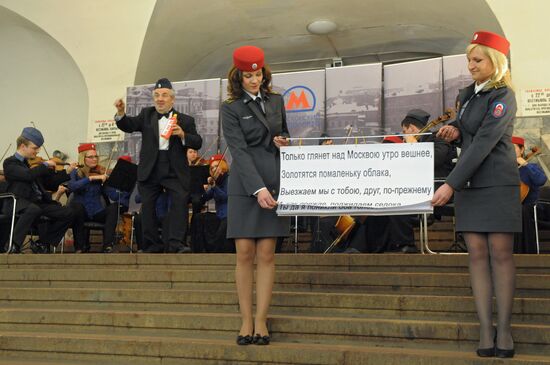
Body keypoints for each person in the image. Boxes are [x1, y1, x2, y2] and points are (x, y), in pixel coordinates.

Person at [433, 31, 519, 358]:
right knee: (477, 255)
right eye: (469, 59)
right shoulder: (469, 95)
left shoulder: (503, 96)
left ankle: (505, 330)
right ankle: (486, 328)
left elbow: (484, 143)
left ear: (494, 62)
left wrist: (450, 184)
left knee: (500, 254)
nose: (470, 65)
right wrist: (454, 128)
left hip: (496, 183)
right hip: (470, 185)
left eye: (477, 59)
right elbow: (466, 129)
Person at [221, 45, 290, 346]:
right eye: (248, 75)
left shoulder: (276, 100)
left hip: (274, 179)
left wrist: (282, 141)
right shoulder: (231, 108)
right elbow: (238, 150)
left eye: (258, 74)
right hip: (245, 185)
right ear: (239, 77)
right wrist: (257, 188)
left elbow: (284, 134)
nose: (254, 80)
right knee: (245, 253)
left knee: (267, 254)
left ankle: (261, 320)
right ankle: (246, 319)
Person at [114, 78, 202, 253]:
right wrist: (121, 112)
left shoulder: (185, 119)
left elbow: (197, 142)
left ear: (172, 99)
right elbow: (129, 125)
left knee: (179, 204)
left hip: (174, 169)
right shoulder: (146, 114)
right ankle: (152, 245)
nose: (160, 99)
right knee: (148, 207)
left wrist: (183, 134)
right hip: (150, 168)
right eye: (156, 95)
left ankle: (177, 244)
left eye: (164, 95)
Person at [2, 127, 73, 253]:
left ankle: (43, 242)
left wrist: (66, 172)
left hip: (37, 203)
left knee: (69, 213)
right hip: (18, 203)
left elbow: (50, 184)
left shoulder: (31, 165)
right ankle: (14, 245)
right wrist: (44, 165)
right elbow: (28, 175)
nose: (37, 151)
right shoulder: (10, 163)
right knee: (33, 209)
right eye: (35, 148)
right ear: (23, 146)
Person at [68, 145, 130, 253]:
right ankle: (79, 247)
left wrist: (124, 187)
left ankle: (107, 245)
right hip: (82, 213)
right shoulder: (76, 172)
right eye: (91, 157)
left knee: (114, 207)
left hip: (97, 212)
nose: (95, 159)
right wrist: (90, 178)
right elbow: (72, 186)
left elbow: (113, 196)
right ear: (83, 158)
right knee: (77, 207)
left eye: (96, 156)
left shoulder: (101, 173)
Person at [190, 153, 231, 253]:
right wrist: (202, 189)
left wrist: (214, 186)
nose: (213, 170)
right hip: (219, 216)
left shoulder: (228, 179)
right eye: (212, 168)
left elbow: (226, 197)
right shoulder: (216, 182)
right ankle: (199, 250)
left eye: (216, 166)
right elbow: (204, 198)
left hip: (228, 216)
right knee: (199, 218)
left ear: (223, 166)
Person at [512, 136, 547, 253]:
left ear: (522, 150)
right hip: (511, 209)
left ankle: (522, 250)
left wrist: (525, 164)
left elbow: (541, 180)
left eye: (513, 149)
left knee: (520, 210)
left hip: (532, 208)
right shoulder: (505, 169)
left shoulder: (531, 167)